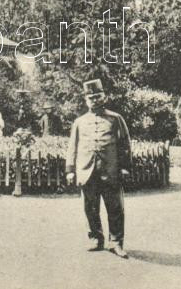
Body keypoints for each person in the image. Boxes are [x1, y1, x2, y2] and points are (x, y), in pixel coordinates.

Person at [65, 79, 132, 258]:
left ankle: (116, 243)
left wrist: (125, 167)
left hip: (110, 171)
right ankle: (96, 238)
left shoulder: (115, 119)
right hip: (87, 171)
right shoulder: (79, 122)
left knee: (115, 208)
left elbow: (125, 144)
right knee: (90, 208)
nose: (95, 100)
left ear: (104, 97)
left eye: (98, 96)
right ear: (86, 100)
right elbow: (73, 146)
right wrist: (70, 170)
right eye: (91, 98)